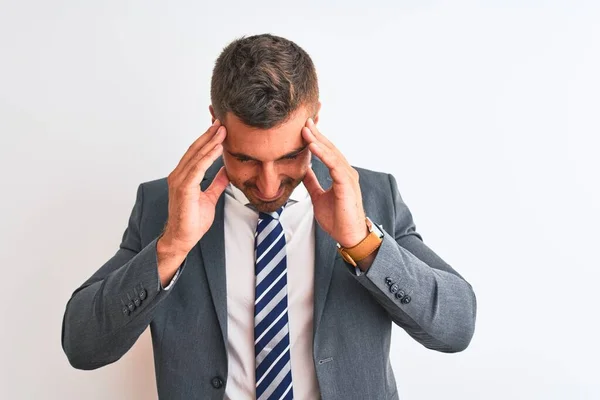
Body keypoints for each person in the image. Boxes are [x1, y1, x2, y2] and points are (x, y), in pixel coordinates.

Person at [61, 33, 477, 400]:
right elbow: (83, 346)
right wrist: (171, 246)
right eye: (245, 158)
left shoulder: (370, 194)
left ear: (314, 119)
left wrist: (363, 244)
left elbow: (456, 327)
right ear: (215, 123)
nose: (268, 183)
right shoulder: (162, 205)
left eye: (290, 156)